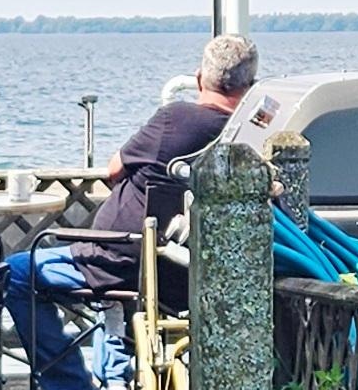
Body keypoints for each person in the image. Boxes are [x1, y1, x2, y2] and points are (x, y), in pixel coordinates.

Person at [87, 33, 257, 254]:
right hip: (187, 271)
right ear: (251, 86)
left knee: (26, 267)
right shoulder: (251, 138)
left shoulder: (175, 119)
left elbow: (114, 170)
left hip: (114, 260)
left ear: (199, 80)